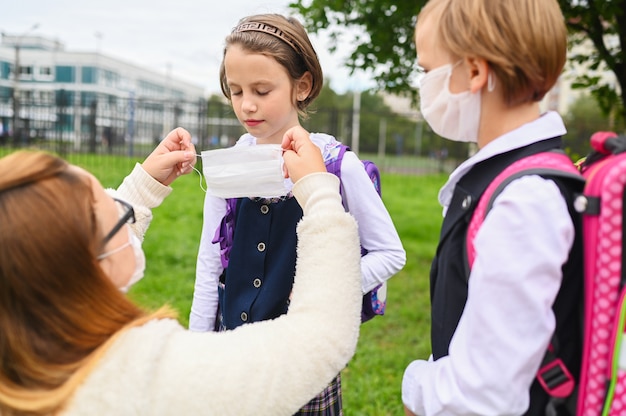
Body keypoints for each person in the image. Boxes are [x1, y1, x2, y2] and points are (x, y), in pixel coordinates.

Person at [0, 126, 364, 416]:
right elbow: (320, 337)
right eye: (116, 209)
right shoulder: (151, 379)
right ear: (92, 265)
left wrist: (140, 189)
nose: (125, 210)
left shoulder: (21, 367)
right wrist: (319, 196)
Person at [190, 13, 406, 414]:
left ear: (301, 86)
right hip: (234, 360)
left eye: (262, 89)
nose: (246, 104)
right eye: (235, 91)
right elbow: (209, 267)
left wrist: (325, 290)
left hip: (305, 372)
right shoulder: (227, 166)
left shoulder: (338, 166)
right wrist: (197, 352)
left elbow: (391, 253)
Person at [402, 1, 582, 415]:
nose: (425, 86)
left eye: (429, 71)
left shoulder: (524, 201)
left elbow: (482, 395)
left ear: (476, 72)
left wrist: (416, 388)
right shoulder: (514, 182)